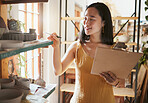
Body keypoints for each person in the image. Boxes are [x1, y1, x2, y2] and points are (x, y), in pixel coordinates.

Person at [48, 2, 123, 103]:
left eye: (91, 19)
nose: (86, 23)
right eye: (85, 18)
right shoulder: (77, 46)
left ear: (103, 23)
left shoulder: (113, 50)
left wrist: (115, 82)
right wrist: (56, 47)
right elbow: (58, 71)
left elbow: (122, 82)